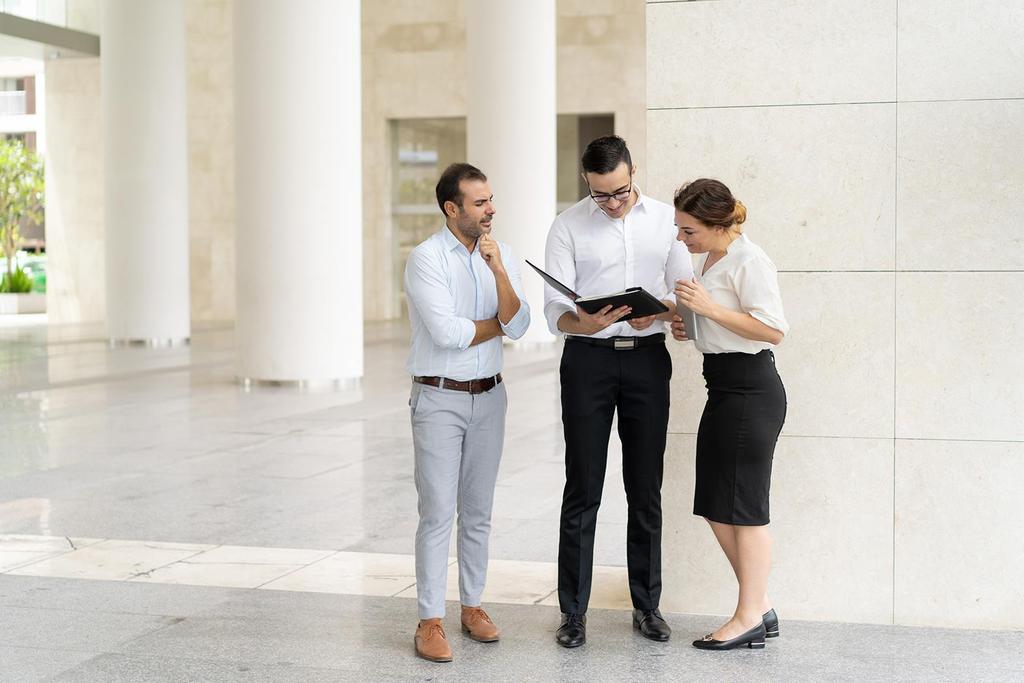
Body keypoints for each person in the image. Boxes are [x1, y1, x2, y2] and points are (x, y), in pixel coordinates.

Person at [543, 135, 693, 648]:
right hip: (587, 362)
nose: (612, 204)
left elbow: (683, 289)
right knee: (582, 487)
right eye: (601, 195)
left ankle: (647, 605)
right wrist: (582, 322)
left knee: (644, 486)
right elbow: (555, 309)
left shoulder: (663, 222)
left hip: (648, 361)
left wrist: (665, 309)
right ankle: (572, 613)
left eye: (621, 192)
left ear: (633, 173)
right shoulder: (567, 225)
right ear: (588, 183)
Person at [403, 162, 531, 662]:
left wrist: (498, 270)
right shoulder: (426, 259)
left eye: (491, 199)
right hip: (439, 397)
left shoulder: (502, 254)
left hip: (490, 396)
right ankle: (429, 619)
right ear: (451, 208)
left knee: (478, 512)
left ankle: (472, 607)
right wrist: (497, 323)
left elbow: (519, 325)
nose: (491, 209)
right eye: (480, 202)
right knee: (437, 512)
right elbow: (449, 335)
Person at [670, 178, 788, 651]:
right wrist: (688, 323)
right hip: (721, 387)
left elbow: (773, 330)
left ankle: (747, 616)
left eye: (689, 231)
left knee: (747, 511)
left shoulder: (750, 260)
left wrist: (710, 310)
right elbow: (719, 323)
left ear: (718, 225)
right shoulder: (712, 257)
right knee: (719, 505)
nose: (683, 240)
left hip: (750, 390)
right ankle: (758, 606)